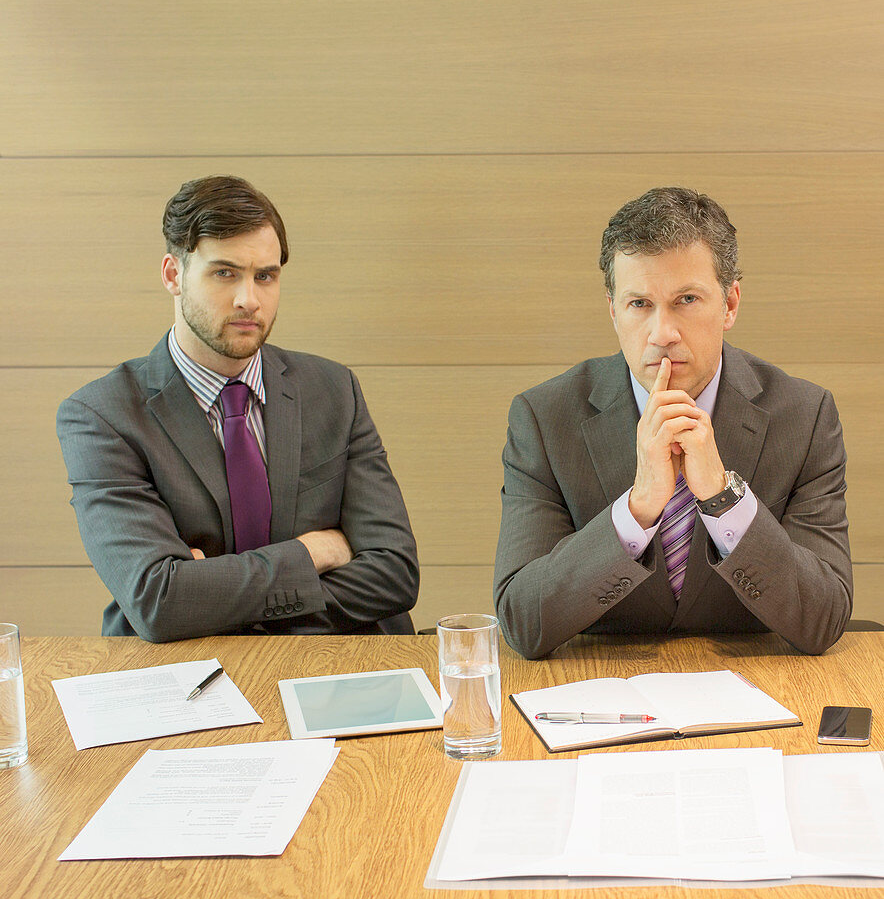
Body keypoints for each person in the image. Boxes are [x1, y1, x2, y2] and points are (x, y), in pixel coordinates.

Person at [494, 187, 852, 659]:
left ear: (730, 304)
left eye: (686, 299)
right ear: (613, 311)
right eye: (639, 304)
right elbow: (522, 621)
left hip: (757, 686)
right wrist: (639, 508)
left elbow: (823, 618)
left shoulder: (805, 416)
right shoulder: (544, 418)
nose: (662, 333)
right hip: (598, 689)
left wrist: (724, 499)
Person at [57, 175, 419, 641]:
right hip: (183, 681)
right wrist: (311, 554)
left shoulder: (334, 389)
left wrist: (212, 597)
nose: (249, 299)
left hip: (334, 666)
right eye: (224, 272)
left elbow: (394, 573)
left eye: (264, 276)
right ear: (173, 275)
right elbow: (159, 601)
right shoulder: (102, 415)